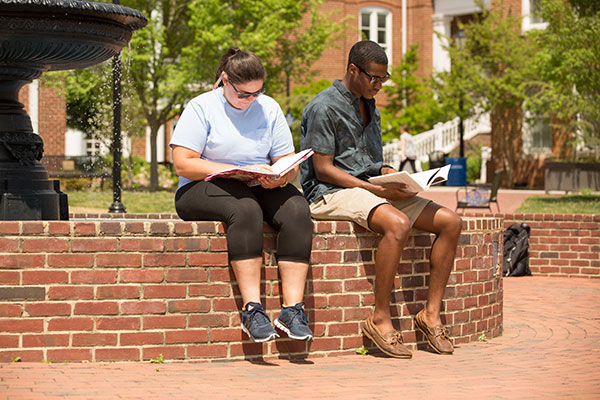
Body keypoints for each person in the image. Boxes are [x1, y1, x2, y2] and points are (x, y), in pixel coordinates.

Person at [300, 40, 462, 358]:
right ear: (352, 70)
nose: (379, 86)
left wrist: (398, 178)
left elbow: (371, 164)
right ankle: (380, 319)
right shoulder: (323, 107)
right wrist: (375, 190)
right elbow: (323, 169)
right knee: (398, 223)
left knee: (451, 222)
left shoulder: (369, 105)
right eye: (374, 78)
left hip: (369, 188)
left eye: (383, 80)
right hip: (330, 193)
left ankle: (430, 315)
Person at [170, 48, 314, 343]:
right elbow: (183, 162)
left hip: (256, 183)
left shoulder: (269, 108)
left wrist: (281, 177)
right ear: (225, 80)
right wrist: (233, 168)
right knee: (247, 209)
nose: (251, 100)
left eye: (257, 93)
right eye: (244, 94)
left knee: (298, 208)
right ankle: (253, 311)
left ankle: (292, 310)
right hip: (201, 187)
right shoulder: (201, 107)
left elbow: (286, 160)